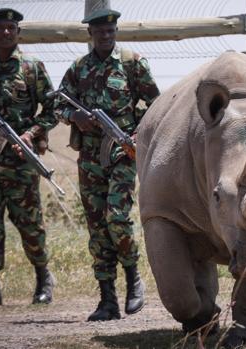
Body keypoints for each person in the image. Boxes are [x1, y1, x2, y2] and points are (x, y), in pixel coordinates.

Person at [54, 9, 159, 321]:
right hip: (89, 159)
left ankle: (133, 278)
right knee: (97, 227)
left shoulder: (131, 63)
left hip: (123, 155)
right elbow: (57, 102)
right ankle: (107, 299)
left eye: (111, 30)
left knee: (117, 217)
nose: (106, 35)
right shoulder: (79, 68)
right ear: (91, 34)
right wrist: (75, 117)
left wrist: (137, 135)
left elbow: (155, 103)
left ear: (116, 31)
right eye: (100, 31)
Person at [0, 8, 57, 307]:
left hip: (20, 159)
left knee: (29, 221)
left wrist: (30, 134)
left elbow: (52, 111)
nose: (6, 32)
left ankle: (44, 280)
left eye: (11, 28)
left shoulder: (32, 67)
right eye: (0, 28)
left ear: (19, 32)